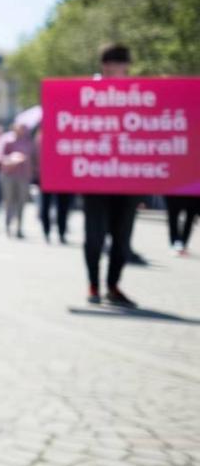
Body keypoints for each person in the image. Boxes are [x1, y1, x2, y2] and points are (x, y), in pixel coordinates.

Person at [81, 44, 139, 307]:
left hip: (128, 178)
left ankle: (113, 285)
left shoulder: (138, 95)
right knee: (94, 236)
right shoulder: (87, 93)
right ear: (107, 66)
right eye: (120, 65)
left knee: (122, 238)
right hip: (95, 177)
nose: (124, 71)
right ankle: (93, 283)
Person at [0, 121, 34, 238]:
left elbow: (33, 157)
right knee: (9, 201)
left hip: (24, 176)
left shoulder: (28, 141)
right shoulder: (6, 139)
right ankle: (7, 225)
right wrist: (11, 159)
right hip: (9, 175)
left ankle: (19, 227)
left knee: (21, 202)